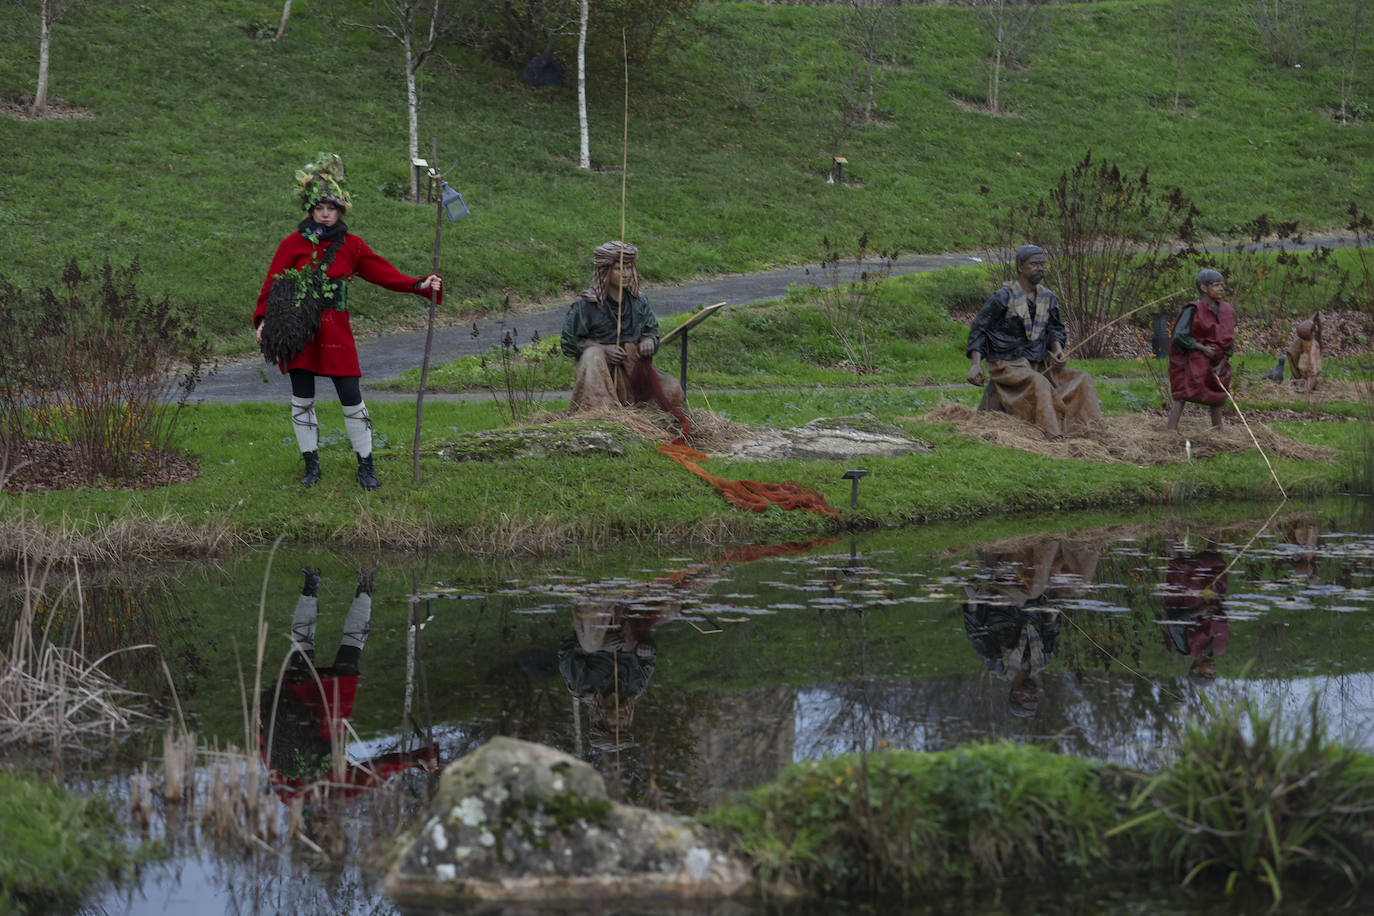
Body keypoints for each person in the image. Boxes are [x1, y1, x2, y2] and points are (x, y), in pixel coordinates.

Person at [254, 154, 442, 490]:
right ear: (310, 209)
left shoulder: (351, 246)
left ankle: (366, 466)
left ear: (340, 210)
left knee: (351, 396)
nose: (325, 213)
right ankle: (311, 465)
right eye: (319, 207)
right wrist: (262, 321)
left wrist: (419, 284)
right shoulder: (293, 245)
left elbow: (382, 272)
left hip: (335, 331)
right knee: (302, 397)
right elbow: (271, 285)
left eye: (332, 207)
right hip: (299, 332)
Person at [259, 566, 439, 801]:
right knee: (351, 651)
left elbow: (268, 754)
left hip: (294, 711)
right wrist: (413, 760)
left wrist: (262, 724)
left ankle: (311, 583)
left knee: (302, 648)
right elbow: (374, 772)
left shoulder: (289, 794)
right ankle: (365, 582)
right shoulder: (336, 796)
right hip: (330, 719)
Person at [966, 244, 1102, 440]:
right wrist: (975, 364)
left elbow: (1055, 329)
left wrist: (1057, 351)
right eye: (1034, 264)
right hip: (1008, 365)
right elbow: (980, 328)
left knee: (1083, 379)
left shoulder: (1048, 297)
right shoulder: (1004, 297)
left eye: (1042, 264)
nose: (1040, 268)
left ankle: (1089, 430)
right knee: (1039, 383)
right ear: (1021, 267)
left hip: (1040, 364)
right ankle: (1051, 435)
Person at [560, 241, 685, 411]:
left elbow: (651, 331)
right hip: (597, 370)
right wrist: (602, 349)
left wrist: (648, 341)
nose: (626, 273)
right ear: (605, 271)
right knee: (592, 354)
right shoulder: (586, 304)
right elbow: (569, 342)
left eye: (629, 268)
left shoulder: (638, 301)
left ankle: (643, 416)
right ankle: (602, 414)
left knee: (672, 390)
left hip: (632, 368)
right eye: (619, 269)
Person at [1166, 269, 1235, 431]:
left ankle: (1218, 431)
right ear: (1203, 288)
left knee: (1217, 395)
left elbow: (1229, 340)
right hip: (1192, 361)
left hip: (1217, 362)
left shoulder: (1226, 310)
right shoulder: (1193, 310)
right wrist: (1202, 348)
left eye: (1222, 285)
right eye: (1216, 285)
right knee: (1182, 395)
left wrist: (1222, 361)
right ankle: (1171, 431)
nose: (1221, 289)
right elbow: (1180, 335)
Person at [1284, 314, 1322, 394]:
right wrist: (1314, 367)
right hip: (1310, 362)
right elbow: (1312, 356)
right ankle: (1307, 389)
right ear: (1313, 333)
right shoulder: (1314, 344)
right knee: (1312, 377)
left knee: (1306, 376)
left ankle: (1301, 385)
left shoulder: (1305, 342)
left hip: (1303, 361)